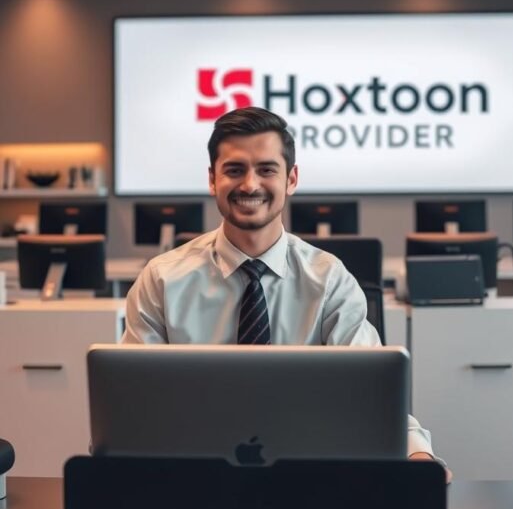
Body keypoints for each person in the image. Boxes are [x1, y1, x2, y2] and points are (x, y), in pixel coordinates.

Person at [123, 105, 445, 468]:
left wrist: (416, 453)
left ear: (291, 179)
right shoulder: (162, 278)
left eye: (266, 169)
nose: (249, 184)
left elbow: (373, 393)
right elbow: (132, 400)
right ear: (212, 179)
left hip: (308, 475)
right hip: (193, 473)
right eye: (234, 170)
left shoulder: (329, 279)